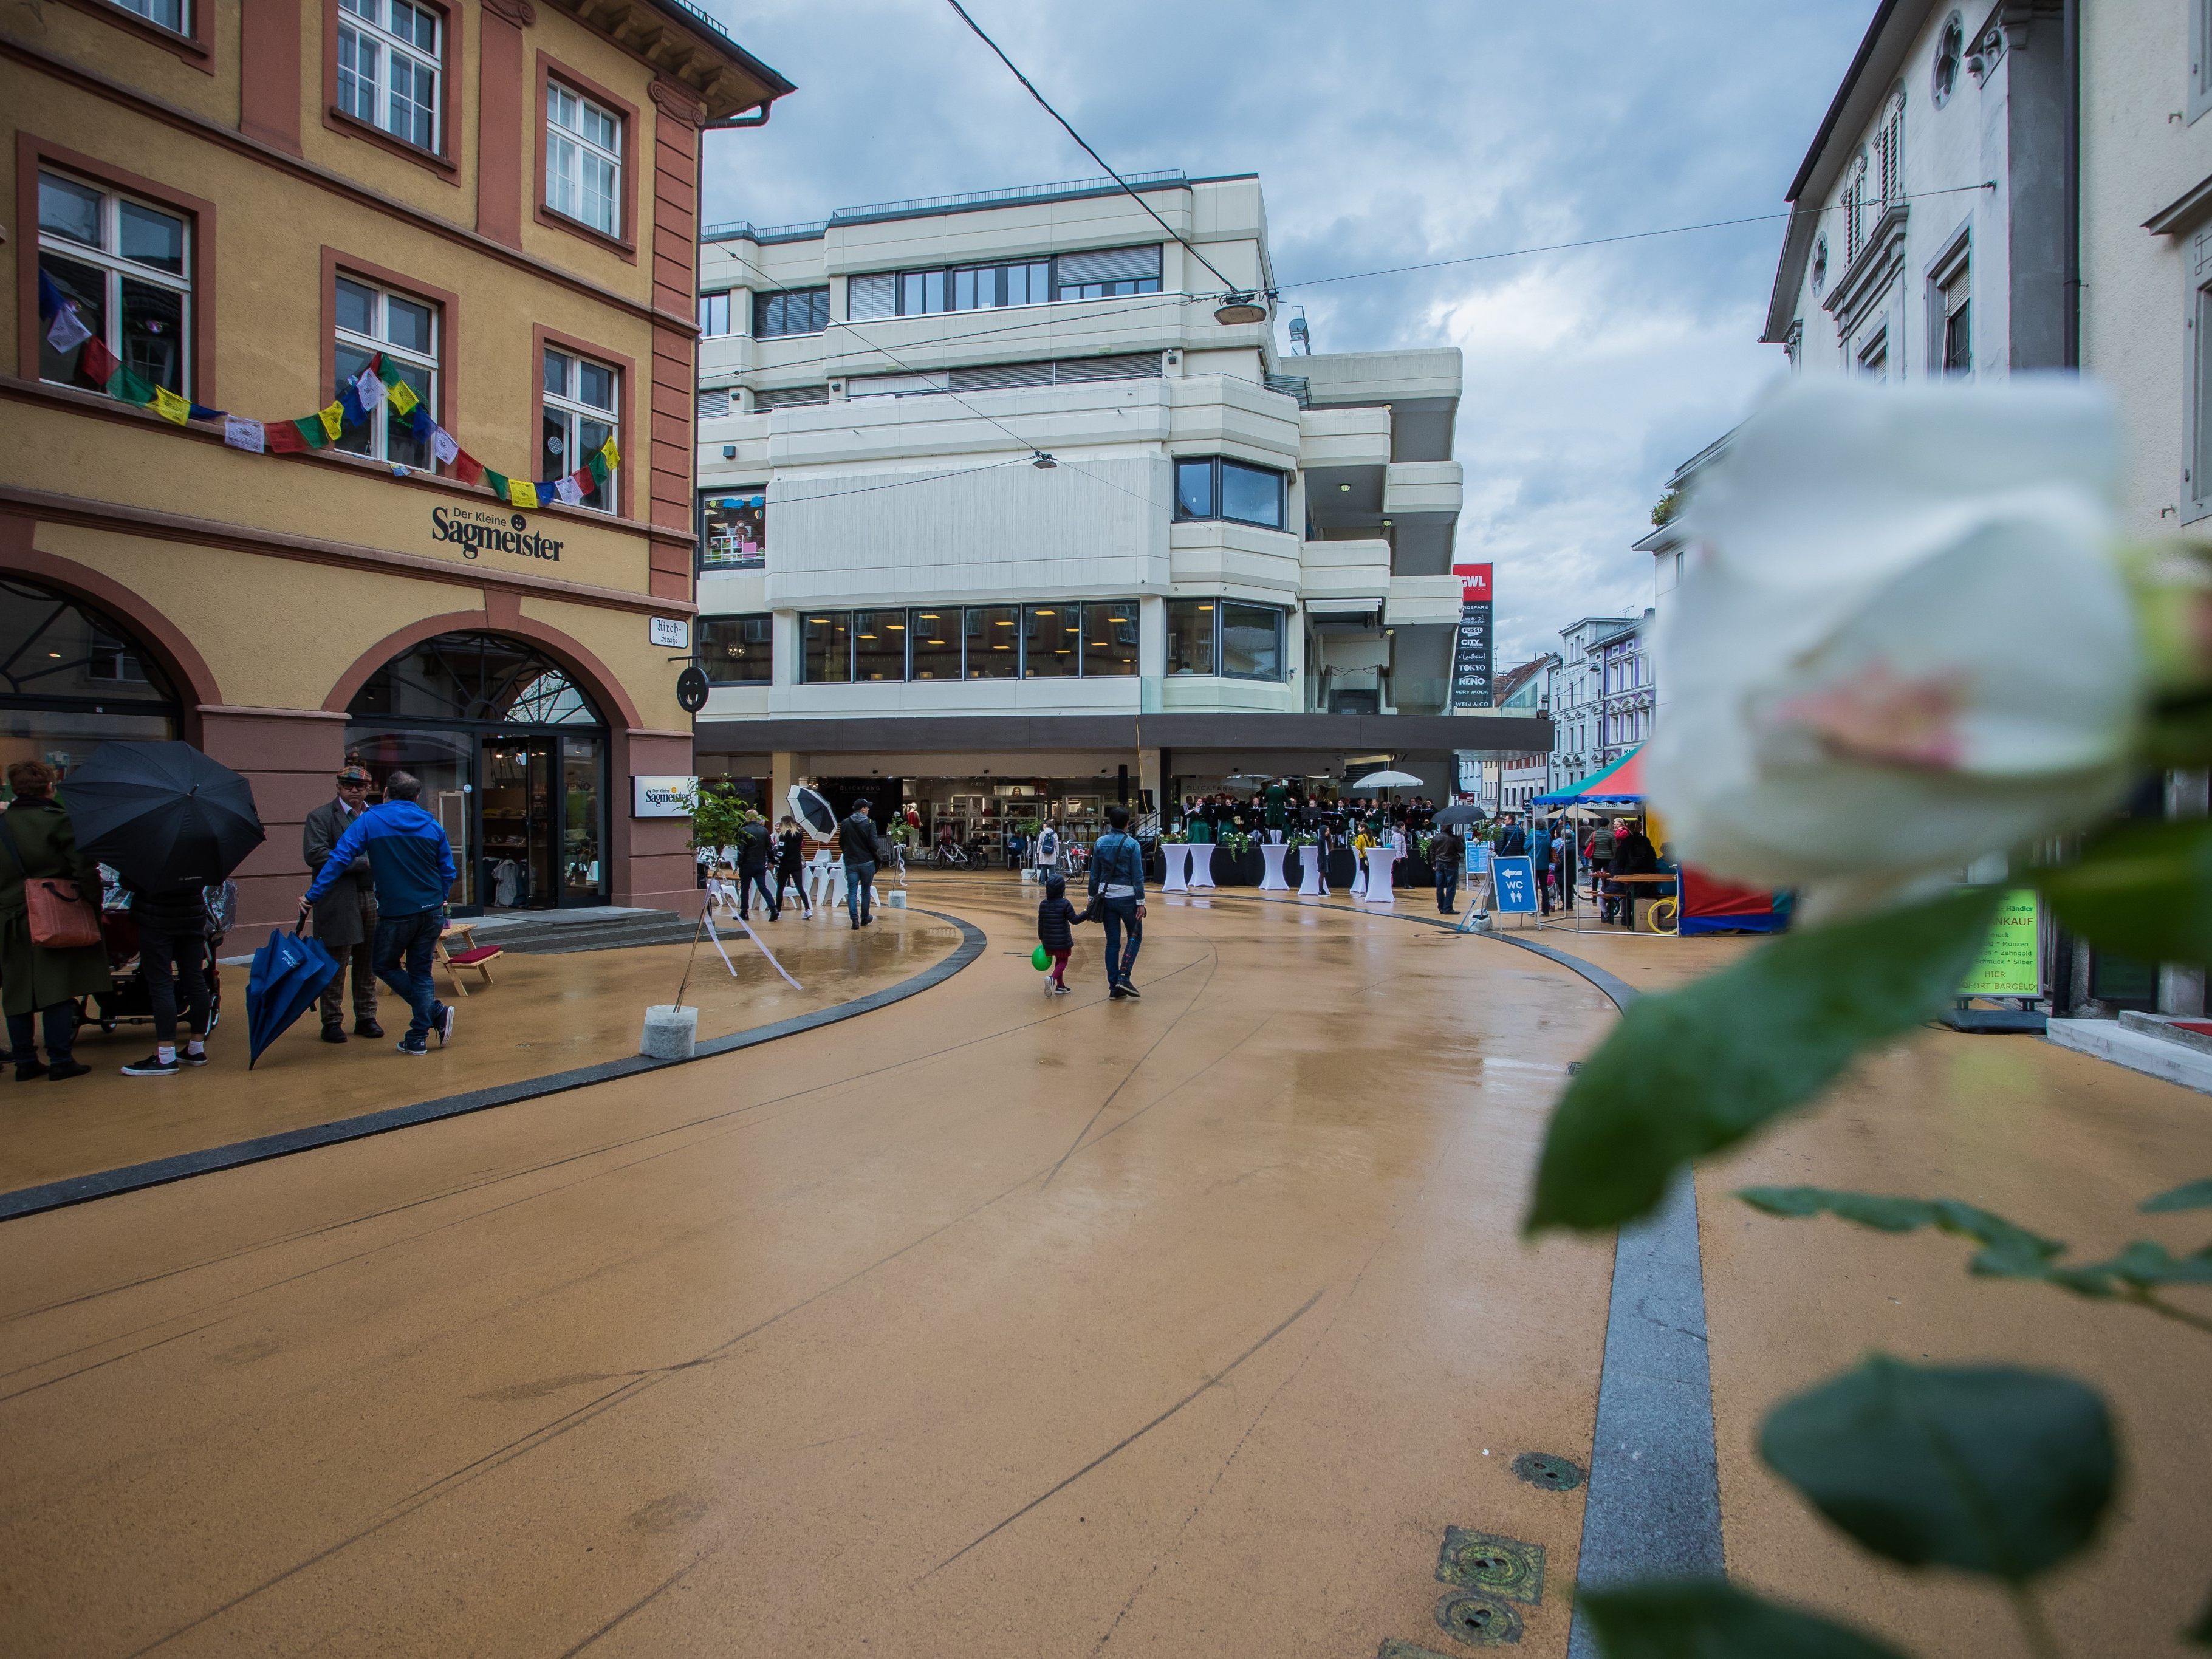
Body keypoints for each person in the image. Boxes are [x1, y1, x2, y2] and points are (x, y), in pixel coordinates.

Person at [300, 768, 457, 1056]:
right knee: (421, 972)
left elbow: (337, 860)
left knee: (383, 965)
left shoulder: (371, 820)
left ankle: (431, 1016)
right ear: (417, 797)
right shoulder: (432, 824)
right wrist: (441, 899)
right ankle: (418, 1036)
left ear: (385, 793)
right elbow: (448, 870)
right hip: (431, 909)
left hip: (398, 912)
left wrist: (313, 895)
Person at [1, 759, 106, 1081]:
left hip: (9, 918)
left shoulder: (3, 824)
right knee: (58, 988)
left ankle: (25, 1062)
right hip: (53, 913)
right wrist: (93, 901)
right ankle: (61, 1060)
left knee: (17, 991)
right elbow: (83, 869)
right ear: (50, 786)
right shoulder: (59, 822)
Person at [301, 762, 380, 1043]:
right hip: (337, 898)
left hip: (371, 896)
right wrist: (362, 863)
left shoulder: (375, 816)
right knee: (335, 961)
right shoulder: (321, 816)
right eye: (348, 786)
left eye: (360, 787)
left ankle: (367, 1016)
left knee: (368, 961)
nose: (354, 791)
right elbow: (316, 854)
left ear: (369, 789)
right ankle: (332, 1021)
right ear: (338, 788)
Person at [118, 877, 213, 1076]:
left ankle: (166, 1056)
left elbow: (128, 881)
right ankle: (196, 1049)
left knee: (161, 983)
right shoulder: (199, 848)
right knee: (195, 980)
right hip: (193, 916)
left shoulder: (149, 849)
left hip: (156, 919)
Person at [1087, 802, 1146, 999]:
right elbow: (1138, 876)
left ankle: (1114, 988)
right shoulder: (1133, 844)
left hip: (1107, 897)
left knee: (1112, 943)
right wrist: (1141, 902)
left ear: (1109, 823)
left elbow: (1094, 874)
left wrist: (1091, 897)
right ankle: (1124, 976)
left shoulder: (1100, 843)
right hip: (1129, 897)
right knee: (1135, 936)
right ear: (1127, 824)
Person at [832, 797, 888, 929]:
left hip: (851, 862)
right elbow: (874, 844)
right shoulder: (870, 823)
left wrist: (848, 852)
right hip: (867, 862)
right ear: (863, 809)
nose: (868, 809)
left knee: (851, 891)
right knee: (866, 890)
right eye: (867, 807)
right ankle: (865, 917)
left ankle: (854, 920)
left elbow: (841, 842)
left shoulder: (845, 823)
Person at [1034, 871, 1087, 995]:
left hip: (1048, 940)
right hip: (1062, 940)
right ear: (1062, 889)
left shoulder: (1043, 904)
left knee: (1058, 961)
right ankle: (1052, 979)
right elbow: (1074, 920)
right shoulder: (1065, 904)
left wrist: (1041, 938)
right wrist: (1087, 913)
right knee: (1063, 961)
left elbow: (1040, 923)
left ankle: (1061, 986)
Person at [733, 810, 778, 922]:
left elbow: (741, 850)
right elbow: (770, 848)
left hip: (747, 864)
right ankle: (774, 909)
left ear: (747, 818)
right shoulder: (764, 831)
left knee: (745, 889)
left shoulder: (744, 831)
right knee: (763, 887)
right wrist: (771, 861)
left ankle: (744, 912)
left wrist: (739, 863)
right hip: (760, 864)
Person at [773, 816, 813, 918]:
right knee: (800, 887)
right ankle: (808, 910)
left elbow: (782, 852)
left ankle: (779, 911)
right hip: (797, 864)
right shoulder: (799, 834)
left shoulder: (783, 835)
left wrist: (776, 857)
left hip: (785, 864)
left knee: (780, 888)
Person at [1431, 819, 1464, 915]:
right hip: (1451, 863)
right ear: (1452, 827)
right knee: (1451, 886)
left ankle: (1441, 907)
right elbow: (1461, 850)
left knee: (1440, 886)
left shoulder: (1437, 838)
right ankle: (1448, 908)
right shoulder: (1454, 839)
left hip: (1439, 863)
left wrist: (1433, 864)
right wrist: (1461, 840)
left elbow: (1432, 852)